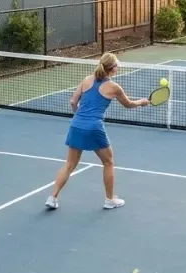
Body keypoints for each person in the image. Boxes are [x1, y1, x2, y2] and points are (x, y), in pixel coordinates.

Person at [45, 53, 149, 211]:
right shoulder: (114, 87)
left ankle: (52, 198)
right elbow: (128, 104)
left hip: (76, 124)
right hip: (94, 127)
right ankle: (110, 200)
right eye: (117, 65)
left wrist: (79, 116)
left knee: (69, 164)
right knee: (108, 162)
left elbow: (73, 102)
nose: (118, 67)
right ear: (112, 69)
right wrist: (141, 102)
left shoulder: (87, 79)